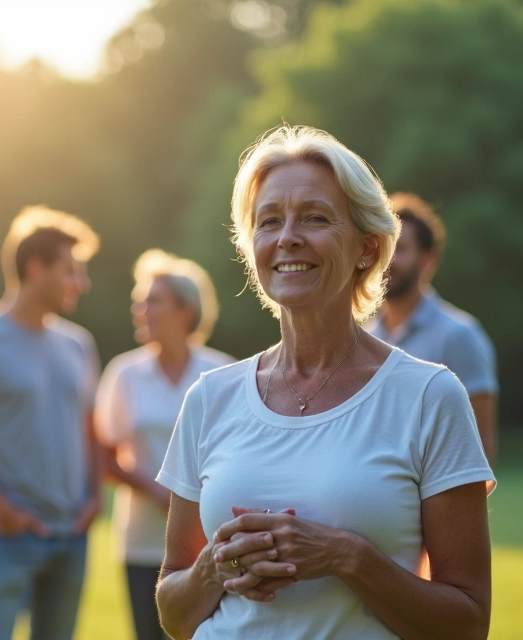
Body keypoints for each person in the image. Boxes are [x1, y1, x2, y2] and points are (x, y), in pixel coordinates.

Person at [155, 126, 495, 640]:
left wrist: (346, 556)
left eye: (314, 217)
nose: (287, 236)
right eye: (269, 221)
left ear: (366, 246)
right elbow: (176, 616)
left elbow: (467, 624)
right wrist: (213, 567)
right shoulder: (209, 398)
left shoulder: (428, 397)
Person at [0, 206, 102, 640]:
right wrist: (2, 508)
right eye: (71, 272)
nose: (80, 284)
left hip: (73, 536)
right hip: (9, 538)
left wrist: (94, 497)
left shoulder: (79, 345)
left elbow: (90, 428)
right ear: (36, 267)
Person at [95, 249, 235, 640]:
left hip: (208, 541)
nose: (141, 310)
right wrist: (157, 490)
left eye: (153, 301)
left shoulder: (221, 372)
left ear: (186, 311)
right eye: (138, 302)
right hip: (141, 542)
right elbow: (105, 457)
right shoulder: (124, 374)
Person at [365, 193, 499, 467]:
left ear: (427, 260)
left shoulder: (460, 336)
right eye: (382, 250)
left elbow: (481, 448)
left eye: (399, 249)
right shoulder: (363, 339)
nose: (387, 261)